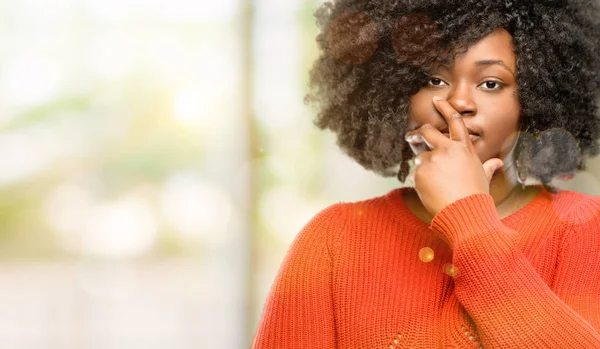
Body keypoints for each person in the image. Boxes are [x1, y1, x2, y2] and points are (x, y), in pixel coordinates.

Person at [252, 1, 600, 347]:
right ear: (395, 94)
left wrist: (470, 219)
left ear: (534, 99)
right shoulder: (332, 241)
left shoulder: (584, 229)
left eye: (491, 83)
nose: (459, 102)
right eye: (434, 79)